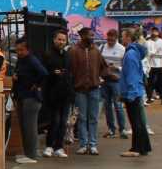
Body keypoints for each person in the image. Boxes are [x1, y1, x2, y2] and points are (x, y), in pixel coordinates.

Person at [69, 27, 104, 155]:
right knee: (82, 118)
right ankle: (84, 144)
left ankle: (93, 144)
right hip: (80, 90)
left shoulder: (96, 51)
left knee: (93, 118)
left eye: (92, 35)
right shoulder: (74, 51)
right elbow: (71, 70)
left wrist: (107, 77)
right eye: (90, 35)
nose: (92, 37)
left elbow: (103, 67)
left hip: (94, 88)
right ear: (82, 36)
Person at [11, 37, 45, 165]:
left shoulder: (31, 60)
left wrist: (36, 84)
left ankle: (31, 154)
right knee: (26, 127)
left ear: (28, 50)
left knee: (29, 127)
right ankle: (29, 153)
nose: (19, 52)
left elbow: (43, 73)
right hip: (23, 96)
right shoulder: (22, 60)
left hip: (30, 98)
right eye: (17, 50)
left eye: (21, 50)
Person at [120, 28, 152, 158]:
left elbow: (132, 75)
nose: (121, 39)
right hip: (135, 90)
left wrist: (131, 93)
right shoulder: (134, 52)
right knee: (138, 121)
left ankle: (136, 148)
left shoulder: (130, 54)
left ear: (128, 37)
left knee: (136, 121)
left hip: (132, 92)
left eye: (122, 36)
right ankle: (143, 147)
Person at [42, 30, 72, 159]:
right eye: (59, 39)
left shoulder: (67, 55)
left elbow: (70, 73)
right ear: (54, 40)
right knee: (54, 121)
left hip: (65, 93)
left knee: (63, 122)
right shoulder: (48, 55)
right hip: (52, 94)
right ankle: (49, 146)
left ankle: (59, 147)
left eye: (63, 40)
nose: (61, 42)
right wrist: (53, 74)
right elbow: (44, 73)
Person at [99, 27, 128, 140]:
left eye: (112, 40)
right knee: (107, 106)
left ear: (116, 39)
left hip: (116, 79)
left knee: (118, 105)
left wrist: (117, 67)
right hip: (105, 79)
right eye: (108, 39)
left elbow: (125, 65)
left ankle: (122, 129)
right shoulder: (102, 47)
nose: (110, 42)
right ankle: (111, 129)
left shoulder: (122, 49)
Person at [145, 27, 162, 105]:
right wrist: (155, 52)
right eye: (153, 31)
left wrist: (152, 54)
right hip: (150, 65)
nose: (154, 33)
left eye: (156, 31)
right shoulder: (147, 42)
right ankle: (149, 98)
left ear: (158, 33)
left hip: (161, 65)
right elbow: (147, 53)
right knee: (150, 83)